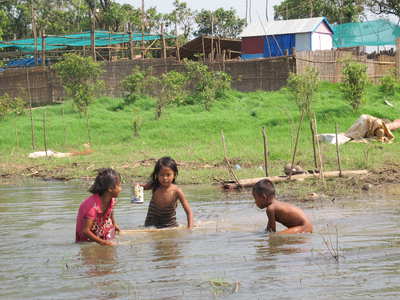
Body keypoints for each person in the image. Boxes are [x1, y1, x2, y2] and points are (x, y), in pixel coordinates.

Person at [141, 156, 193, 229]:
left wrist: (190, 228)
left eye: (168, 175)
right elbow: (142, 187)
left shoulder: (177, 191)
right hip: (151, 224)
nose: (165, 178)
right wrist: (137, 187)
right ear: (157, 175)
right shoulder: (155, 185)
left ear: (174, 174)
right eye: (162, 175)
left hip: (169, 225)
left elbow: (188, 211)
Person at [75, 168, 122, 246]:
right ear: (110, 189)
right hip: (86, 240)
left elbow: (110, 212)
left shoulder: (112, 200)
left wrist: (114, 225)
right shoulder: (92, 207)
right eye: (119, 186)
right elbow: (85, 231)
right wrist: (102, 242)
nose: (121, 189)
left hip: (99, 232)